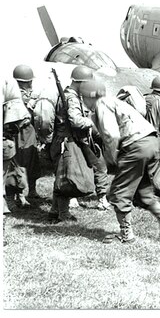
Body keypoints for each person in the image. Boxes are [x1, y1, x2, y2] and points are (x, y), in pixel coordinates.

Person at [80, 79, 160, 243]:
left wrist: (113, 160)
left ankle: (126, 235)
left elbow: (111, 134)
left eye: (84, 97)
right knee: (143, 189)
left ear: (91, 96)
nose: (83, 100)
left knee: (119, 192)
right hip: (152, 143)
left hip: (135, 146)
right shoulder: (116, 102)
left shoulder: (101, 104)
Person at [49, 65, 110, 222]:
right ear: (81, 82)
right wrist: (91, 122)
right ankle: (63, 214)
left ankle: (55, 210)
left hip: (66, 140)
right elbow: (76, 120)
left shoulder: (70, 95)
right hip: (67, 142)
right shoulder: (72, 98)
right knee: (66, 177)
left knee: (61, 176)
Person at [12, 65, 41, 200]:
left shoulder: (29, 94)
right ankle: (20, 194)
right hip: (20, 132)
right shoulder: (15, 95)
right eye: (29, 81)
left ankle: (32, 190)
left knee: (33, 160)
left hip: (31, 132)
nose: (31, 83)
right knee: (21, 161)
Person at [3, 77, 32, 211]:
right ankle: (8, 200)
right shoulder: (9, 90)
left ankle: (19, 196)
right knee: (10, 170)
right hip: (10, 138)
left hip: (18, 137)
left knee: (18, 167)